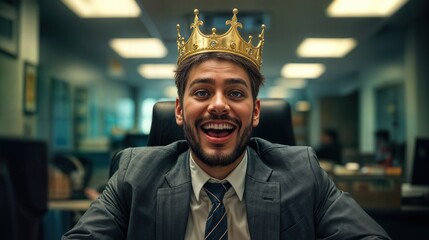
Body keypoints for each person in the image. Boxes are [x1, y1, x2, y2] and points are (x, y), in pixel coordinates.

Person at [63, 8, 391, 239]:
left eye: (235, 92)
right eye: (203, 92)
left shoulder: (303, 173)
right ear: (179, 110)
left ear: (256, 111)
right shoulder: (134, 176)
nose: (219, 105)